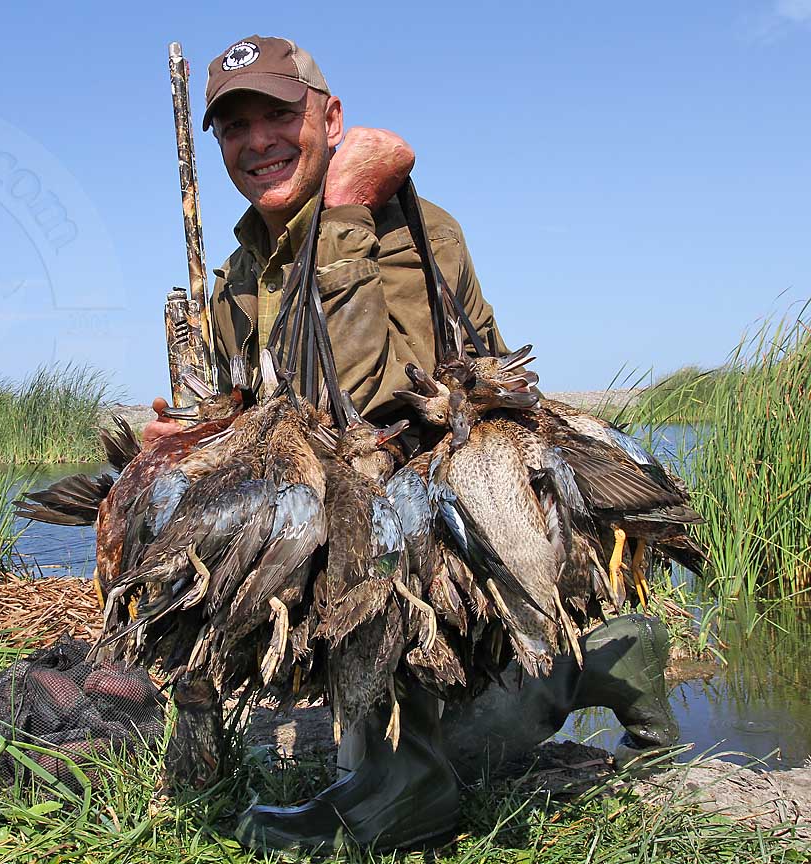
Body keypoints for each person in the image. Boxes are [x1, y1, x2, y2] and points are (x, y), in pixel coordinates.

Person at [148, 35, 680, 854]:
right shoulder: (243, 270)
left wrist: (347, 207)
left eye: (279, 115)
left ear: (330, 117)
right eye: (234, 126)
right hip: (367, 508)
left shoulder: (401, 225)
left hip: (428, 506)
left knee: (359, 502)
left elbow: (369, 408)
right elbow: (262, 406)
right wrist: (193, 440)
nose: (257, 142)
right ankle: (610, 660)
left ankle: (408, 787)